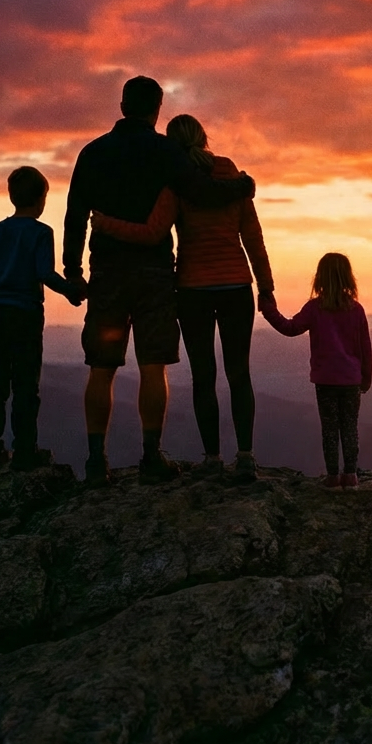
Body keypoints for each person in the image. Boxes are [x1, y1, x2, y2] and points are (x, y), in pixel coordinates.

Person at [63, 76, 255, 486]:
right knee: (153, 364)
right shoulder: (166, 152)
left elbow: (75, 213)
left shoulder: (93, 152)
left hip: (107, 271)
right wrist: (242, 186)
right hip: (153, 273)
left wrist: (73, 271)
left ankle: (97, 461)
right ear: (156, 110)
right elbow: (201, 192)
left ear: (121, 106)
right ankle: (151, 456)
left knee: (101, 365)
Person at [0, 166, 82, 471]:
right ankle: (24, 451)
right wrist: (71, 291)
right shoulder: (41, 232)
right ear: (40, 199)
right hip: (25, 315)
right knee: (26, 385)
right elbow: (44, 273)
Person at [258, 253, 372, 489]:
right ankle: (350, 476)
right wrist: (366, 378)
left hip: (326, 381)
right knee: (350, 427)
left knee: (330, 429)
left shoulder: (314, 308)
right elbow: (365, 348)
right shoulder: (356, 310)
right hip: (351, 381)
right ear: (348, 278)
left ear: (319, 277)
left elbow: (289, 328)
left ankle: (332, 477)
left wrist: (269, 309)